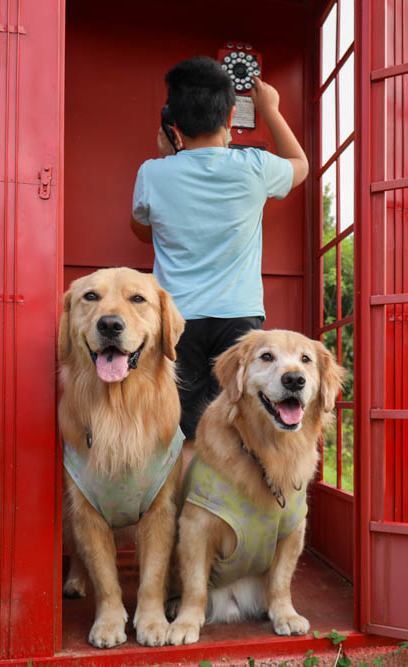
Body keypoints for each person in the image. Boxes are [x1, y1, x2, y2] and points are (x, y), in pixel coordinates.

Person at [130, 56, 308, 462]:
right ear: (230, 115)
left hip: (179, 319)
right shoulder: (255, 167)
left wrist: (169, 158)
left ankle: (190, 499)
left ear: (173, 125)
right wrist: (270, 109)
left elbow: (141, 231)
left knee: (185, 430)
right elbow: (300, 165)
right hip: (239, 316)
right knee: (245, 424)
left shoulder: (152, 173)